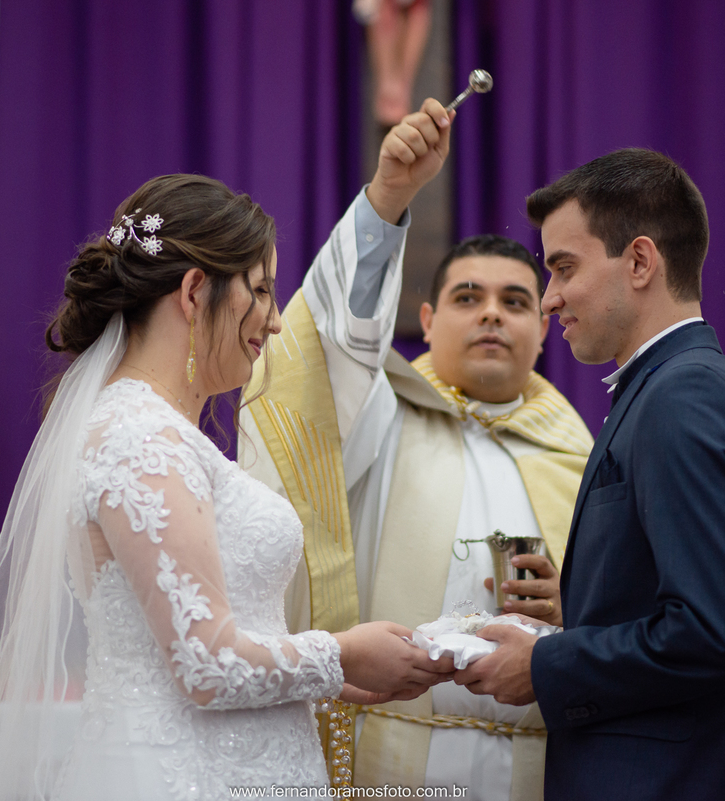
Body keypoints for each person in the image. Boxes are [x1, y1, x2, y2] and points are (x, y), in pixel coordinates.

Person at [0, 174, 456, 801]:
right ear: (194, 290)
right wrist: (340, 654)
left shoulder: (158, 433)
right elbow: (207, 667)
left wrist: (327, 677)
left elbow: (200, 637)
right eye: (261, 291)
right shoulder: (139, 438)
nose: (277, 323)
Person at [238, 99, 592, 800]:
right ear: (426, 321)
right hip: (392, 759)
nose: (493, 312)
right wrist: (389, 197)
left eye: (517, 301)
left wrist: (576, 603)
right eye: (469, 296)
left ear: (545, 328)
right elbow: (332, 345)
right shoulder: (377, 416)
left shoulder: (581, 453)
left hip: (540, 767)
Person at [454, 148, 725, 800]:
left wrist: (545, 664)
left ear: (639, 262)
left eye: (563, 268)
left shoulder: (682, 396)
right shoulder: (664, 388)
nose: (549, 298)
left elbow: (716, 631)